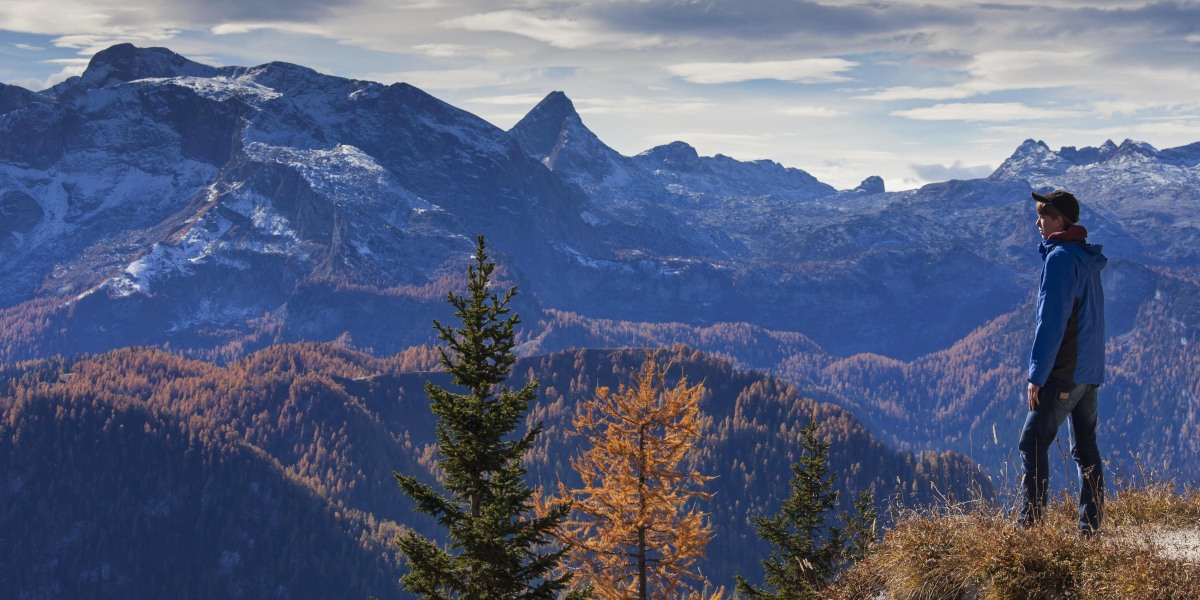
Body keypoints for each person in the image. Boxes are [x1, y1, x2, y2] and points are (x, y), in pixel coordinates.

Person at [1018, 189, 1108, 537]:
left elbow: (1051, 322)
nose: (1037, 222)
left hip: (1064, 371)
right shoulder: (1086, 258)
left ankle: (1031, 526)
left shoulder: (1059, 259)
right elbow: (1093, 318)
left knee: (1032, 442)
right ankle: (1089, 529)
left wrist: (1036, 375)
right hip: (1088, 370)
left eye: (1043, 215)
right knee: (1085, 447)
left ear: (1060, 220)